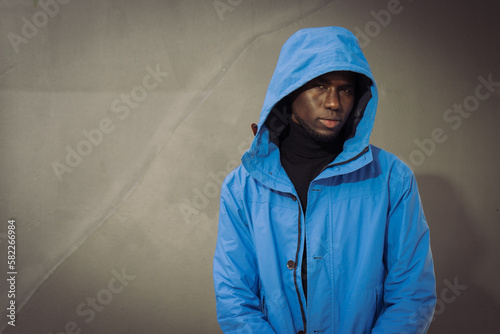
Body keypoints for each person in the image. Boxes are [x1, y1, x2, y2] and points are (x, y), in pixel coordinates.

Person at [213, 26, 436, 334]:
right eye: (318, 86)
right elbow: (234, 297)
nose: (334, 102)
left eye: (345, 89)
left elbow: (412, 294)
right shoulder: (242, 187)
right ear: (289, 93)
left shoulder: (392, 178)